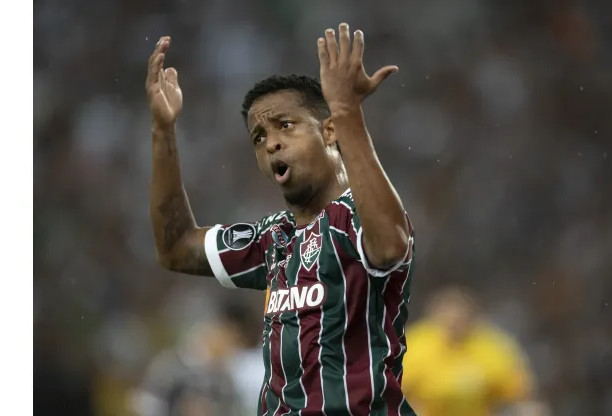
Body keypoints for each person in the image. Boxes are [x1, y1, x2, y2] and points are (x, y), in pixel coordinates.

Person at [145, 23, 416, 416]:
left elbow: (391, 244)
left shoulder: (359, 217)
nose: (270, 142)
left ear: (328, 132)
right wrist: (163, 130)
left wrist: (346, 112)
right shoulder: (274, 238)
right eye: (258, 137)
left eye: (284, 125)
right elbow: (175, 248)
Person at [402, 286, 547, 416]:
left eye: (460, 313)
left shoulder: (491, 346)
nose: (454, 320)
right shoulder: (415, 345)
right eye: (448, 313)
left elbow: (522, 394)